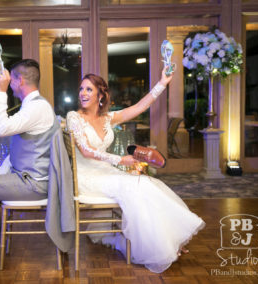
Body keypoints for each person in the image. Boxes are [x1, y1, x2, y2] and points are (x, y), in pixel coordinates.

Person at [66, 67, 205, 273]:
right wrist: (121, 159)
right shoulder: (74, 117)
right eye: (81, 89)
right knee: (135, 186)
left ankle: (167, 242)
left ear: (101, 95)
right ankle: (160, 246)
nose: (82, 93)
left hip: (106, 172)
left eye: (89, 89)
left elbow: (140, 107)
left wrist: (162, 83)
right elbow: (86, 151)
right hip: (86, 177)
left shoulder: (108, 119)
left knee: (146, 183)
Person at [0, 59, 60, 273]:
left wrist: (1, 90)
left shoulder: (37, 108)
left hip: (34, 183)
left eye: (11, 79)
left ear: (20, 80)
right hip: (25, 177)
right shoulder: (33, 105)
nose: (8, 82)